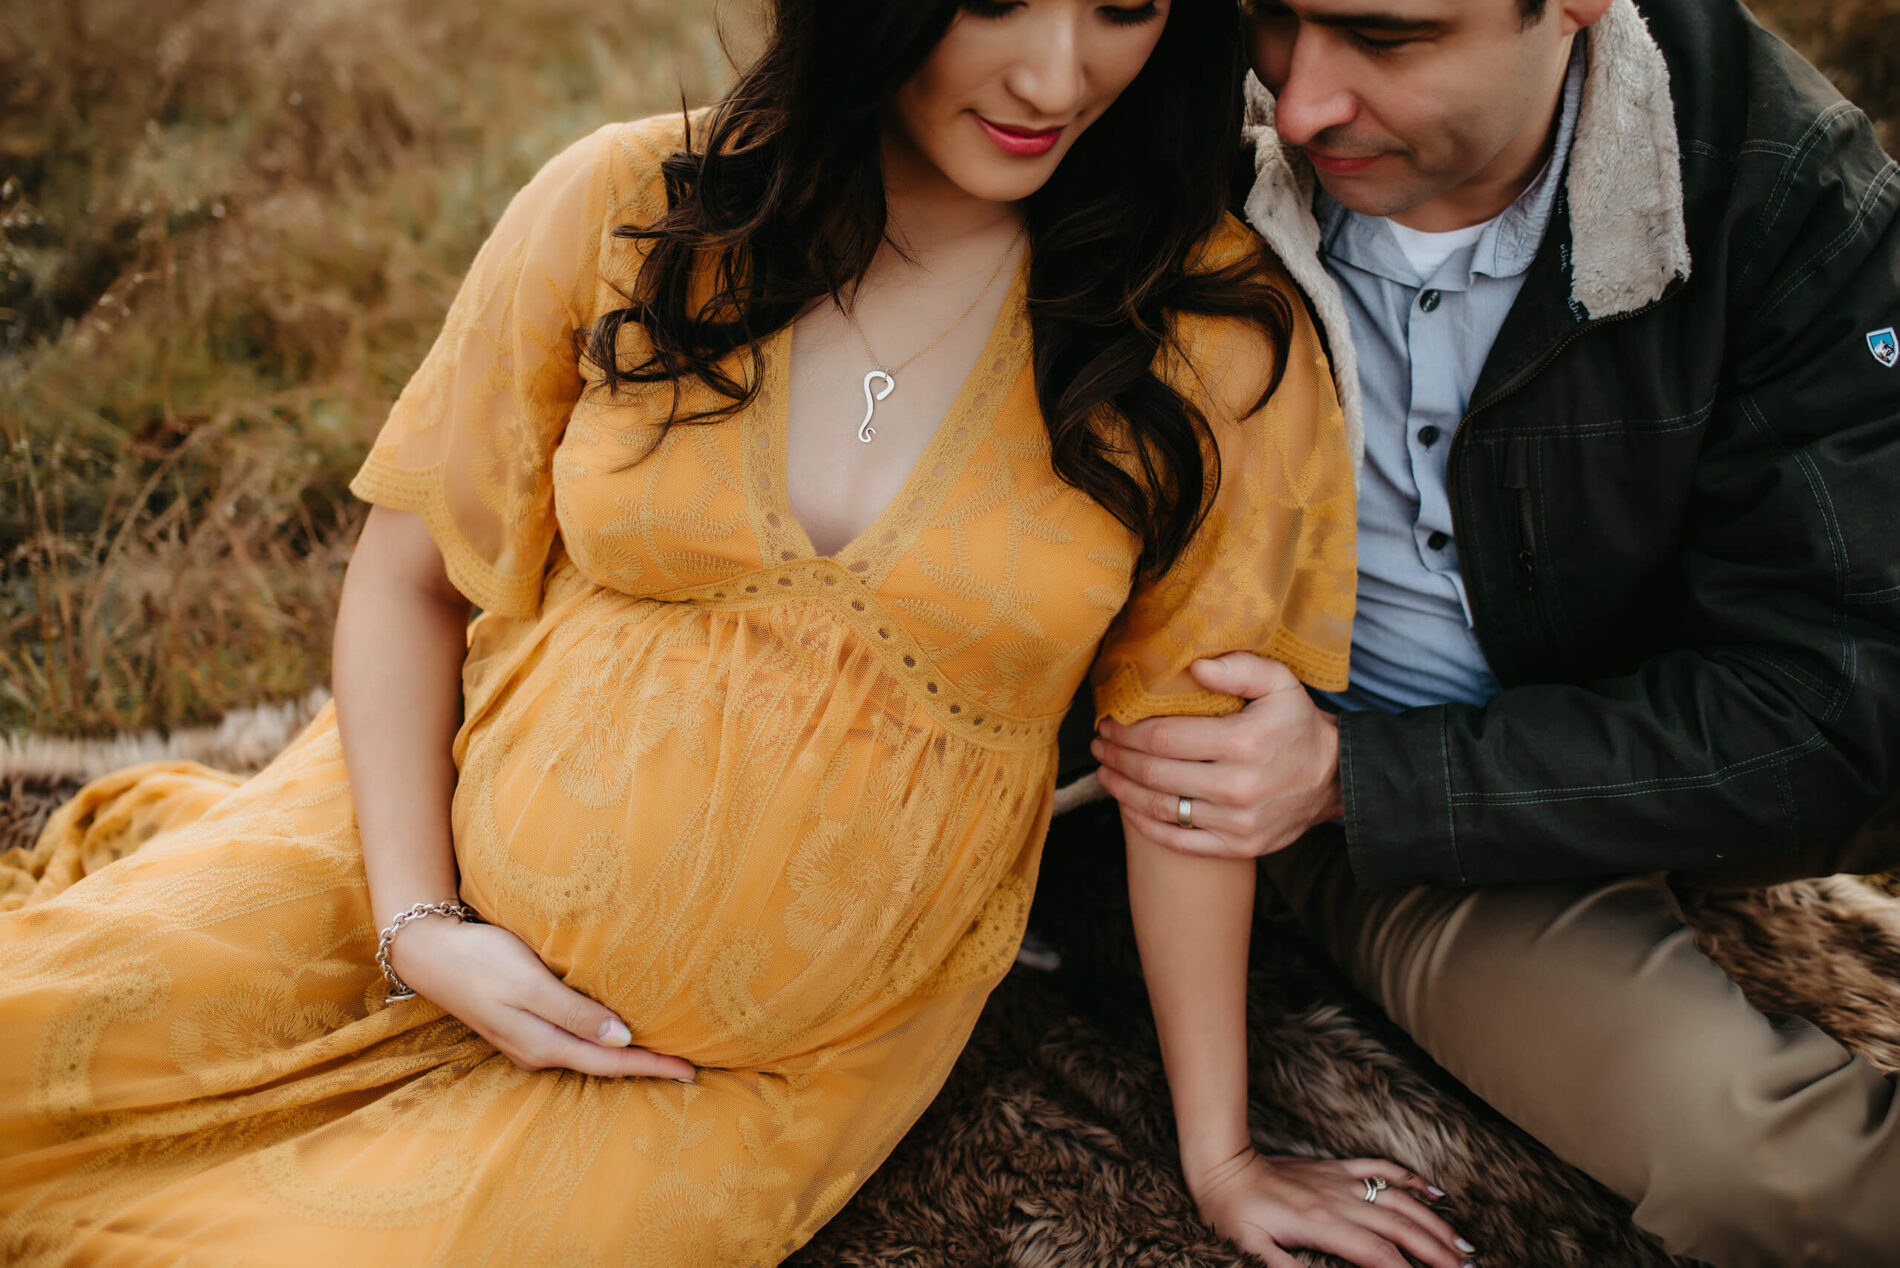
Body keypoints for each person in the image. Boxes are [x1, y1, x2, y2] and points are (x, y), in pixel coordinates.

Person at [0, 1, 1434, 1263]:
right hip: (382, 875)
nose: (1057, 76)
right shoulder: (631, 200)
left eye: (1122, 6)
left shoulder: (1204, 335)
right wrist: (419, 923)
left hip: (720, 1076)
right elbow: (408, 581)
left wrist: (1221, 1154)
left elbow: (1187, 764)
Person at [1089, 0, 1900, 1265]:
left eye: (1387, 37)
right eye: (1268, 19)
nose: (1298, 106)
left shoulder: (1787, 185)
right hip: (1392, 831)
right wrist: (1349, 783)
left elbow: (1837, 693)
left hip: (1575, 742)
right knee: (1771, 1166)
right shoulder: (1153, 121)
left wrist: (1372, 776)